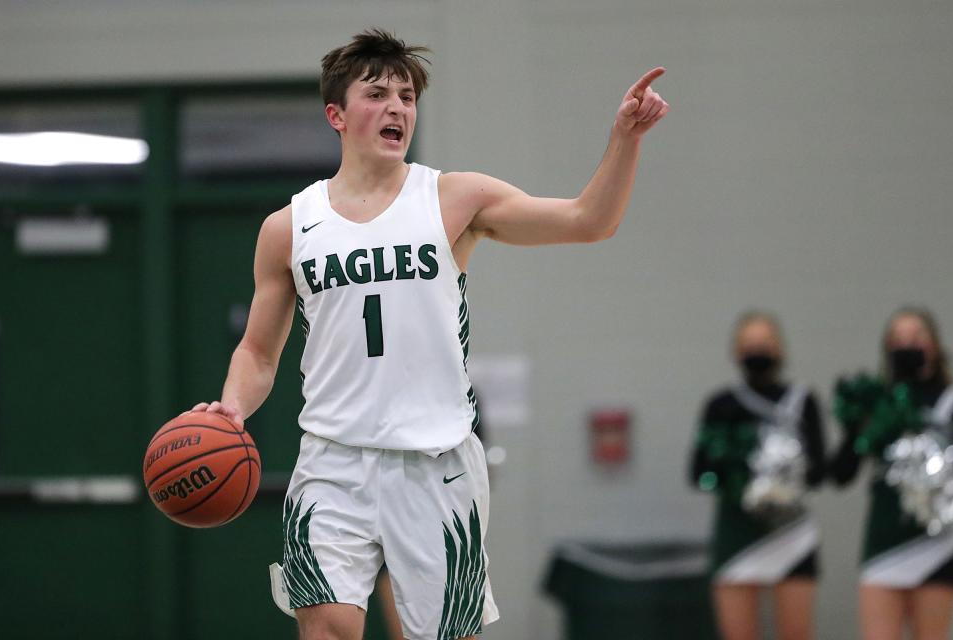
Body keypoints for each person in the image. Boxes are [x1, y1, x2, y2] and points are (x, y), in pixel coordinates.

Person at [188, 28, 668, 640]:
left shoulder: (455, 198)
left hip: (436, 463)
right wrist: (231, 409)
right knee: (328, 626)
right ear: (336, 114)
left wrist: (624, 141)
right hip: (332, 460)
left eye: (408, 96)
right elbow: (257, 351)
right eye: (379, 93)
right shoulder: (288, 227)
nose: (398, 107)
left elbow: (587, 221)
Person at [690, 311, 826, 640]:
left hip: (790, 529)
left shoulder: (802, 401)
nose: (758, 350)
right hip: (737, 530)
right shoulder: (720, 405)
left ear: (780, 349)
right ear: (736, 351)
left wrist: (784, 476)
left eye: (765, 343)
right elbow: (698, 473)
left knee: (796, 632)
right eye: (750, 344)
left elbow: (819, 472)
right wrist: (733, 470)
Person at [829, 307, 953, 640]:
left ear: (935, 343)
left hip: (939, 540)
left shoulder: (951, 400)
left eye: (917, 336)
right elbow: (840, 474)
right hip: (885, 538)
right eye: (898, 339)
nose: (908, 345)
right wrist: (855, 426)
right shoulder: (875, 400)